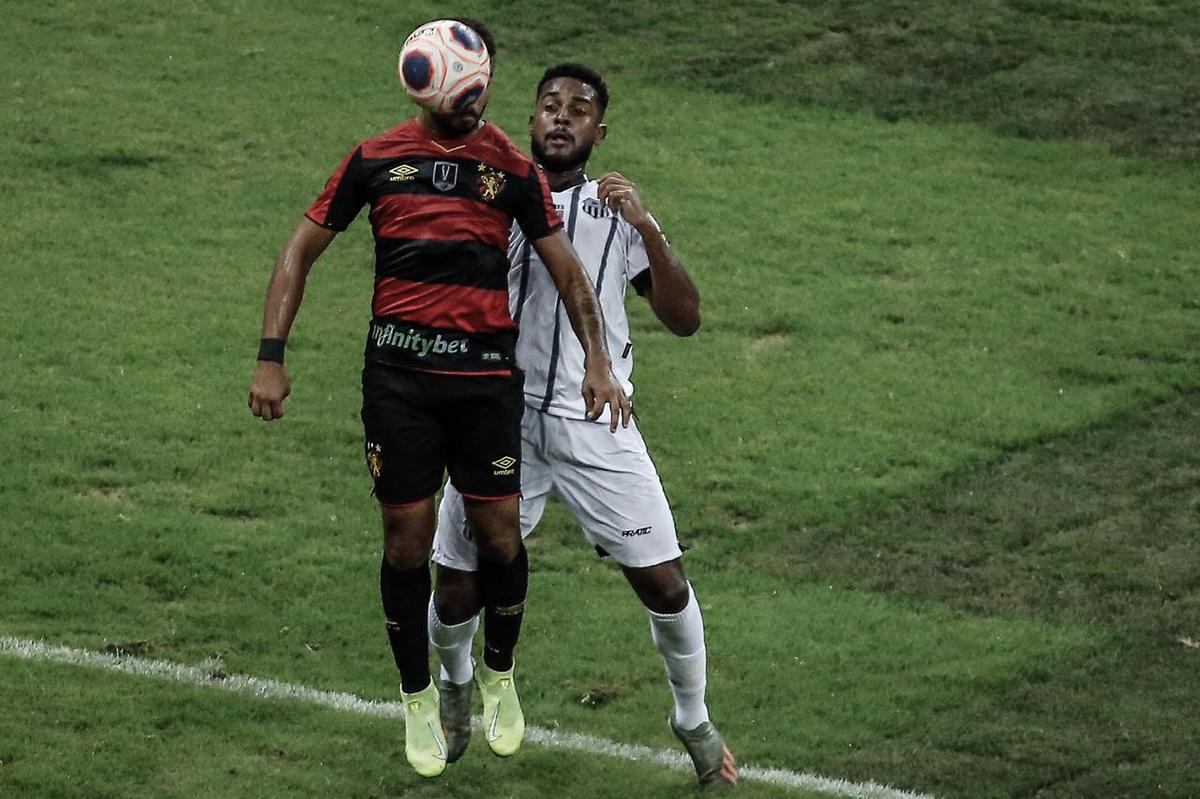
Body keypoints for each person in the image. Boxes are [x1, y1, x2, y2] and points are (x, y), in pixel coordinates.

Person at [247, 23, 631, 779]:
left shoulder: (511, 168)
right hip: (399, 385)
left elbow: (568, 274)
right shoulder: (375, 158)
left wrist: (595, 358)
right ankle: (416, 692)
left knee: (500, 541)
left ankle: (498, 669)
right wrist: (271, 357)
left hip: (485, 387)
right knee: (405, 545)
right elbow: (299, 248)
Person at [428, 63, 739, 788]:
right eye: (549, 106)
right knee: (456, 585)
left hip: (598, 421)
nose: (562, 118)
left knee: (664, 582)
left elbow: (685, 318)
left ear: (601, 131)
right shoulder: (494, 196)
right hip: (499, 421)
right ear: (531, 121)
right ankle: (454, 686)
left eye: (579, 109)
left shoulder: (611, 211)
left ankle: (691, 716)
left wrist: (648, 230)